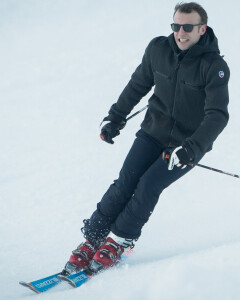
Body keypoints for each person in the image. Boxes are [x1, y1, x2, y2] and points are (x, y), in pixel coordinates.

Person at [62, 2, 230, 276]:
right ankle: (92, 240)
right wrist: (115, 117)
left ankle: (118, 242)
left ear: (202, 29)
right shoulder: (158, 49)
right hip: (153, 131)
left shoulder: (214, 67)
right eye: (176, 26)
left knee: (149, 185)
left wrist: (193, 148)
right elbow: (138, 84)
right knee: (125, 182)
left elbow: (217, 116)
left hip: (185, 146)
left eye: (187, 27)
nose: (180, 33)